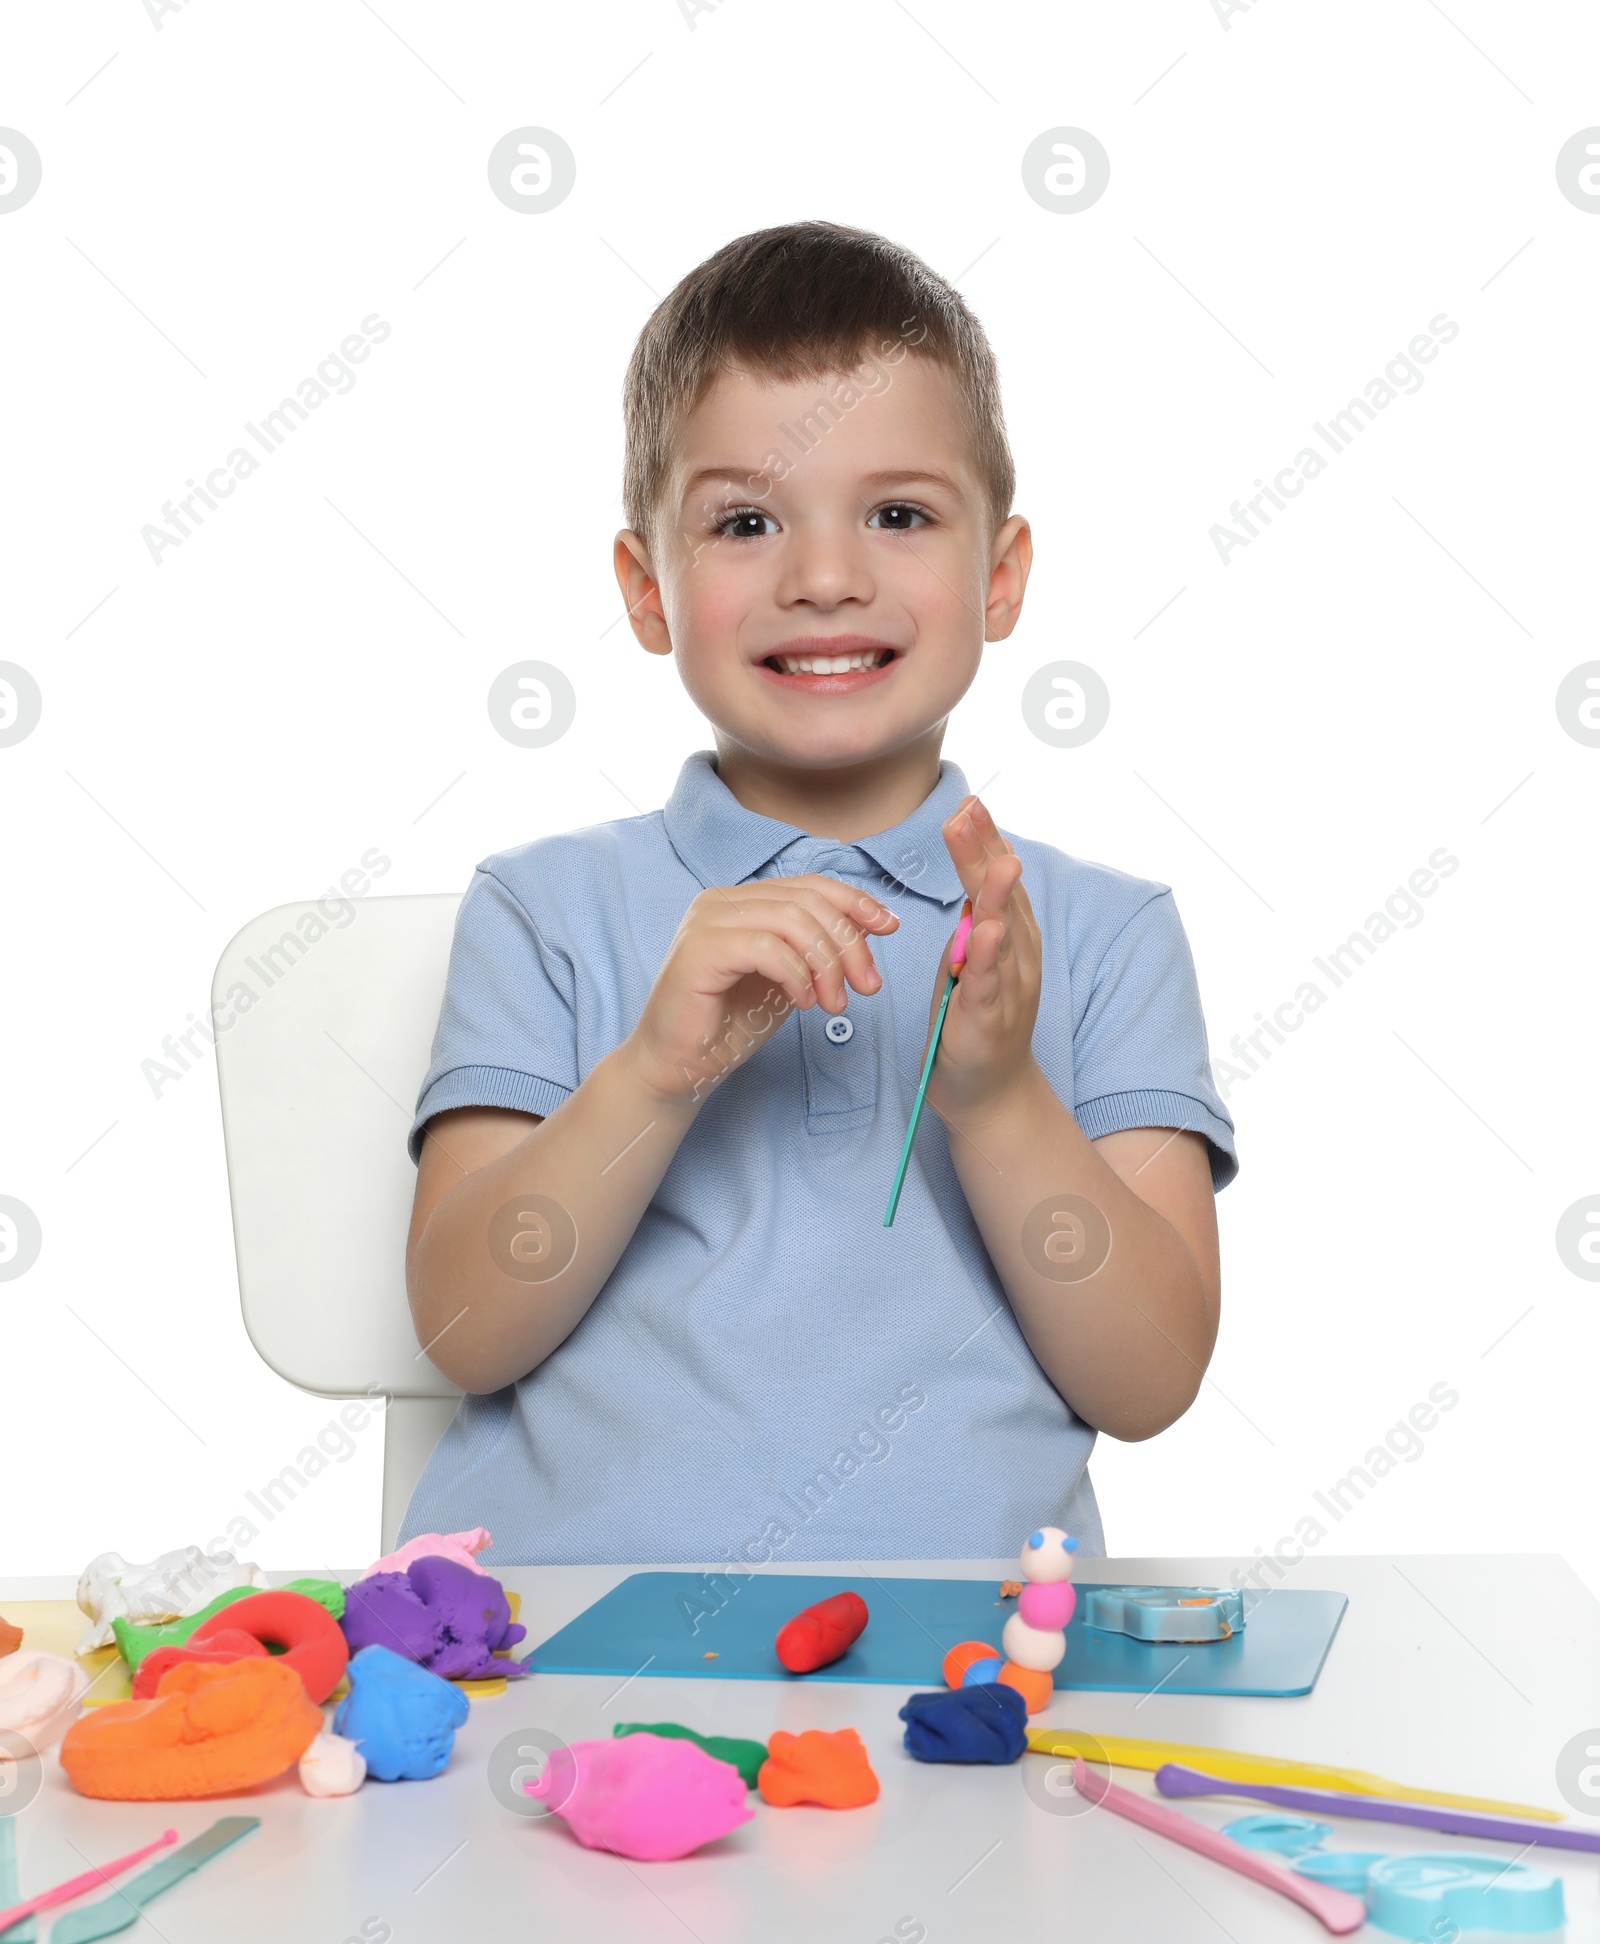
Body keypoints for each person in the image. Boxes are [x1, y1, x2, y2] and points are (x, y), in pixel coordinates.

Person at [401, 221, 1237, 1567]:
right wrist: (651, 1081)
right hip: (552, 1663)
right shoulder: (543, 912)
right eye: (744, 522)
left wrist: (1000, 1096)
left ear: (1002, 575)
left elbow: (1147, 1384)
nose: (825, 577)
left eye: (899, 514)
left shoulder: (1099, 937)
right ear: (645, 587)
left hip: (976, 1676)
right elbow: (462, 1329)